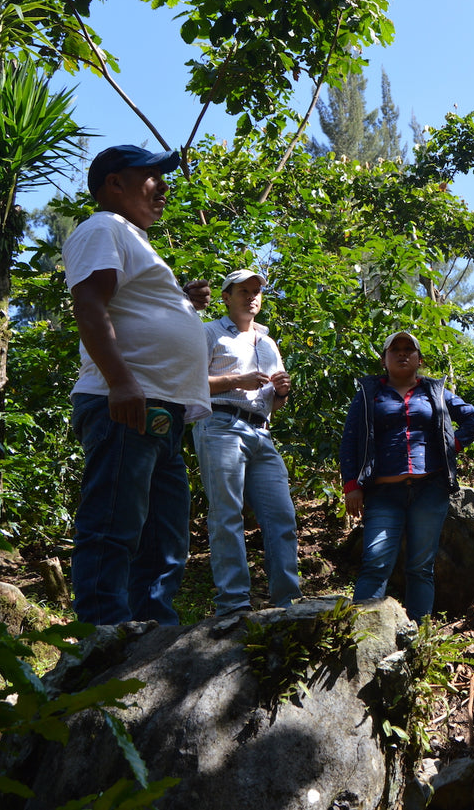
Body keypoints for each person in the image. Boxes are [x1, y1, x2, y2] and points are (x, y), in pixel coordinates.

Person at [63, 144, 212, 625]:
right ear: (115, 183)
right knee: (113, 524)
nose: (164, 187)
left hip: (162, 413)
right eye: (151, 176)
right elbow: (89, 304)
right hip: (127, 404)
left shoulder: (133, 240)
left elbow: (134, 304)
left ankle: (150, 634)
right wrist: (121, 382)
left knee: (163, 538)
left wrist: (183, 302)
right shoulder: (102, 227)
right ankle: (102, 635)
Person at [338, 330, 474, 621]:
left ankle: (419, 638)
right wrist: (351, 486)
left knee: (420, 567)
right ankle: (362, 635)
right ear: (384, 360)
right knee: (375, 563)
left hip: (429, 491)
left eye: (410, 349)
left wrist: (450, 446)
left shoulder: (435, 392)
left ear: (420, 360)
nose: (403, 354)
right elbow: (350, 440)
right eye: (396, 350)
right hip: (383, 494)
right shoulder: (369, 395)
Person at [194, 269, 301, 615]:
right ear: (226, 297)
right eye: (244, 291)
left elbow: (274, 400)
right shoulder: (209, 332)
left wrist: (282, 391)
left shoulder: (268, 343)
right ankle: (234, 605)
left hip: (262, 431)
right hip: (220, 424)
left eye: (256, 291)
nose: (252, 296)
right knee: (227, 515)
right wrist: (236, 379)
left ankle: (289, 604)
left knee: (281, 516)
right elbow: (188, 382)